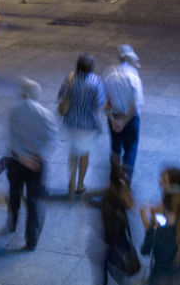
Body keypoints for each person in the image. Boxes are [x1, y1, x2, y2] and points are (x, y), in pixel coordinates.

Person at [7, 77, 60, 251]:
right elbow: (53, 139)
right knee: (34, 200)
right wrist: (39, 157)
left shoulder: (15, 111)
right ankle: (31, 239)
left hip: (16, 161)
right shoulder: (45, 114)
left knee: (15, 191)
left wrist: (22, 156)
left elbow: (12, 138)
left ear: (23, 94)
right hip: (37, 163)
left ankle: (13, 219)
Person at [58, 54, 107, 197]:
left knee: (73, 153)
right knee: (84, 155)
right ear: (91, 67)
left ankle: (71, 182)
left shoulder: (70, 79)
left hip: (72, 122)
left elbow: (62, 96)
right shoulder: (96, 81)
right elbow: (100, 104)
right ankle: (80, 184)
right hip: (88, 124)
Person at [140, 185, 180, 285]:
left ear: (164, 207)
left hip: (159, 280)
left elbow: (144, 251)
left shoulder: (155, 233)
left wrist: (147, 223)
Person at [104, 45, 143, 181]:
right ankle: (125, 181)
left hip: (114, 117)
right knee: (130, 149)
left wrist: (114, 120)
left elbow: (106, 102)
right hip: (130, 119)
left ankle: (114, 179)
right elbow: (135, 104)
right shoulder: (134, 78)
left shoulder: (109, 75)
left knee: (115, 149)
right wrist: (124, 121)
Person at [102, 157, 137, 285]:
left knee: (111, 273)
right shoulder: (120, 193)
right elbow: (130, 206)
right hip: (119, 241)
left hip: (114, 242)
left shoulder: (110, 196)